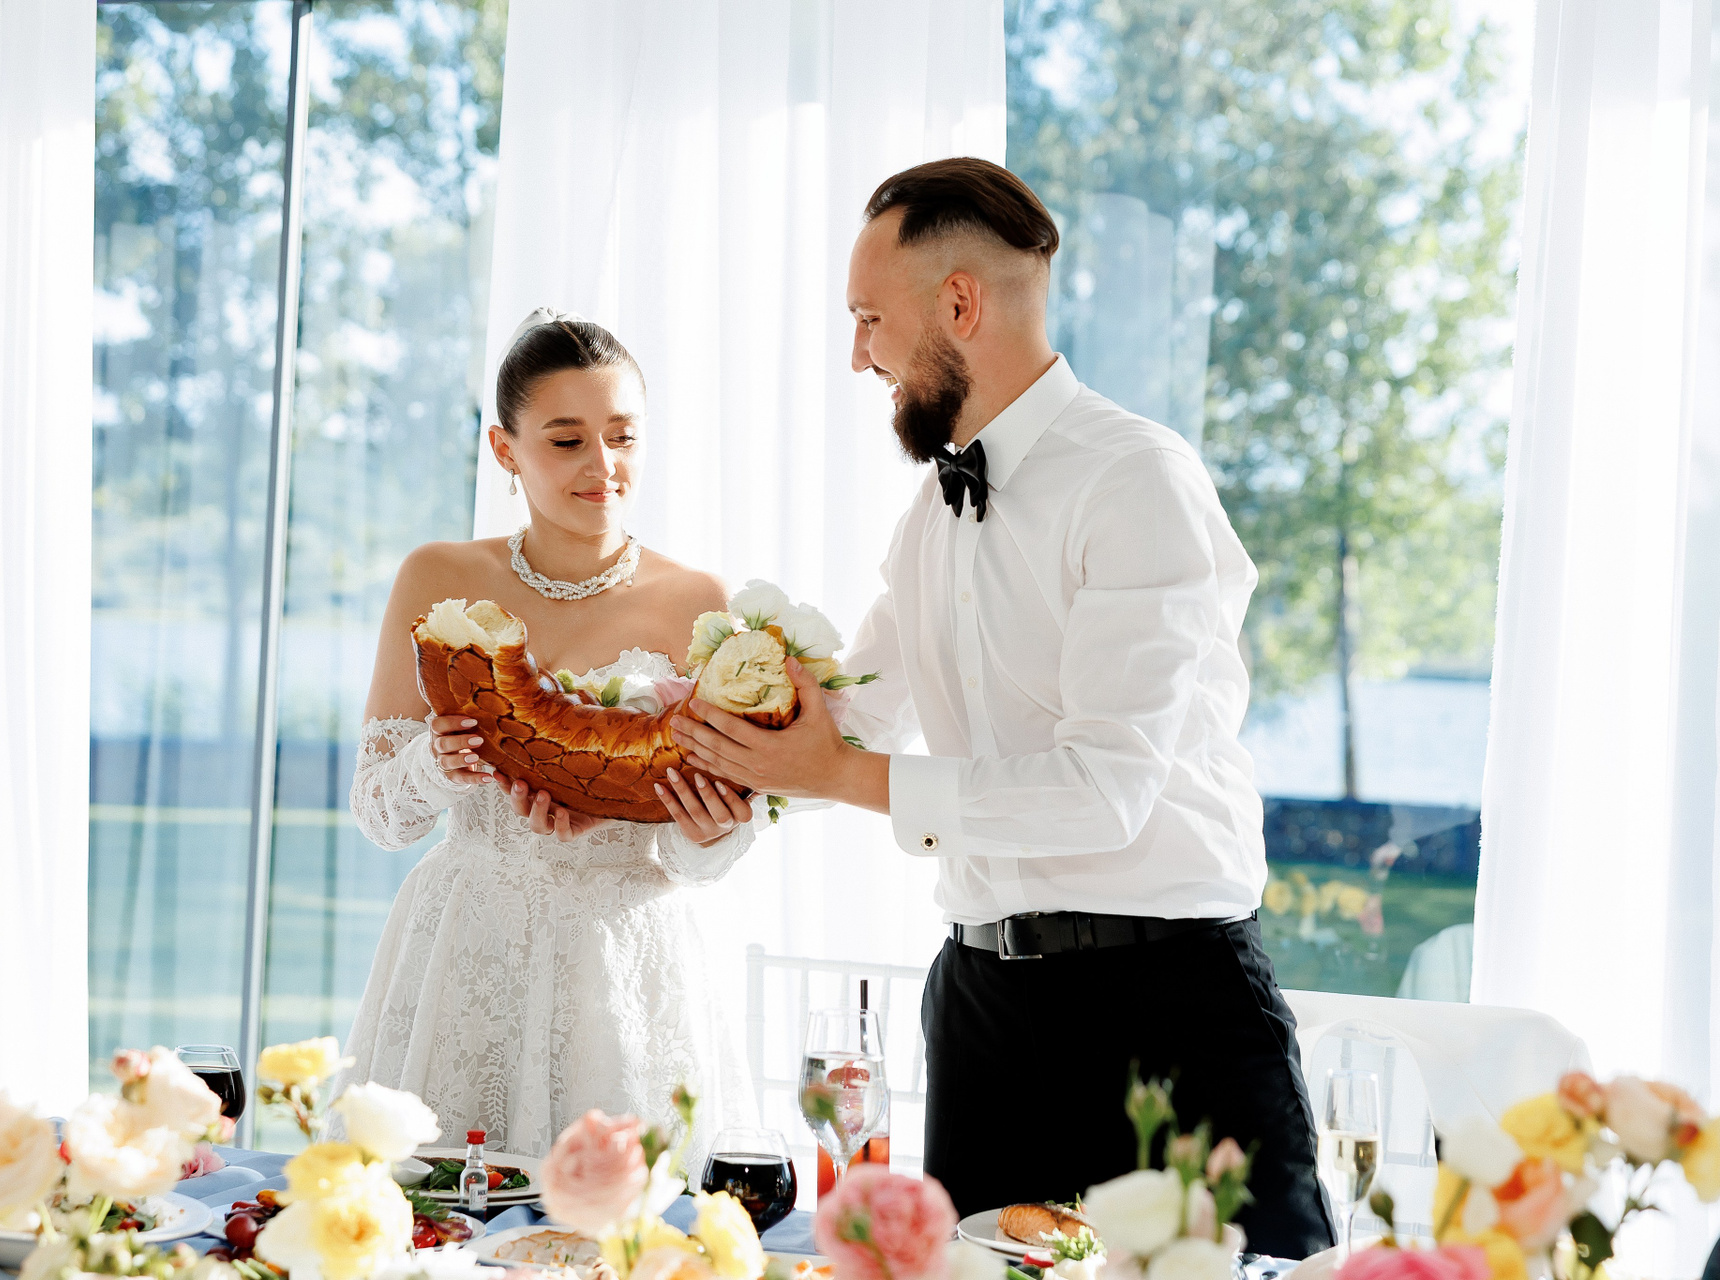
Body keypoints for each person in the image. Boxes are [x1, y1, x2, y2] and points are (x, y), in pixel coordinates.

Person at [669, 159, 1333, 1258]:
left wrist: (836, 772)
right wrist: (709, 769)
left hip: (1168, 1006)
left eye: (869, 320)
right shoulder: (927, 518)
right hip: (980, 1008)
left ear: (960, 304)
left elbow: (1103, 792)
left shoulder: (1137, 481)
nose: (859, 356)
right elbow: (849, 723)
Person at [344, 308, 758, 1157]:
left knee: (626, 1215)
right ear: (505, 449)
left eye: (623, 436)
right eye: (567, 441)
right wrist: (441, 763)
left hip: (626, 960)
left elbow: (705, 853)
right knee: (435, 1209)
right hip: (466, 947)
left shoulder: (699, 601)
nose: (603, 466)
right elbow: (380, 814)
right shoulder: (437, 577)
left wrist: (697, 826)